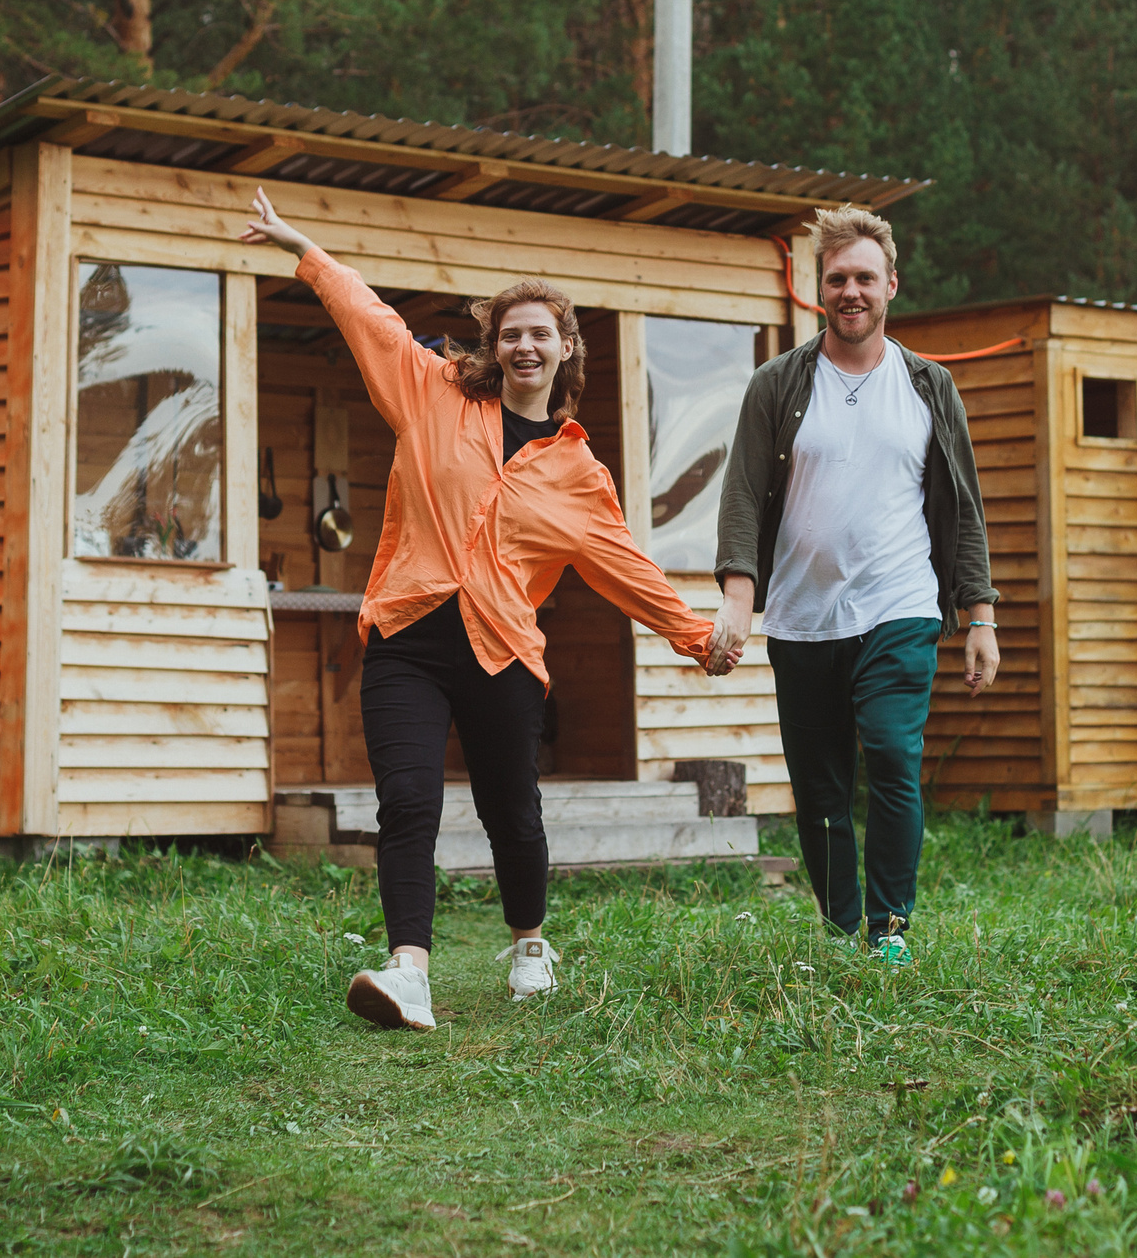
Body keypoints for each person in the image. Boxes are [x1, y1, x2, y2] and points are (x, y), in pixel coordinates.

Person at [241, 189, 730, 1031]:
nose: (525, 343)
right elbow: (374, 321)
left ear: (566, 348)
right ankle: (409, 972)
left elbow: (625, 568)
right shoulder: (432, 395)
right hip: (407, 637)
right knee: (409, 798)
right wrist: (306, 251)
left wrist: (695, 634)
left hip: (503, 652)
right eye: (511, 331)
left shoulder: (580, 474)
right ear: (494, 346)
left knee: (512, 808)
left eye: (541, 331)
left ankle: (529, 942)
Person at [708, 207, 997, 966]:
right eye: (836, 278)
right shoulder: (777, 385)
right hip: (804, 617)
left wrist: (980, 615)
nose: (851, 291)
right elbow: (741, 494)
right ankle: (842, 932)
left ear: (891, 284)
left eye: (865, 277)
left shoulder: (930, 387)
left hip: (900, 605)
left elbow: (963, 506)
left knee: (894, 758)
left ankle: (890, 929)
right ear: (818, 289)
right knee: (822, 784)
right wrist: (740, 595)